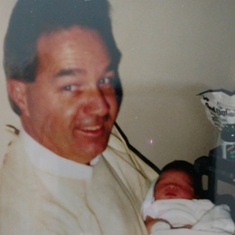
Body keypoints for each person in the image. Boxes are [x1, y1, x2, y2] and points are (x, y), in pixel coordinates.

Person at [0, 0, 158, 234]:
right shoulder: (31, 222)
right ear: (20, 95)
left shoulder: (85, 139)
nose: (102, 107)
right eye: (71, 86)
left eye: (105, 79)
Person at [142, 160, 235, 234]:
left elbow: (217, 218)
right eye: (164, 183)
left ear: (194, 194)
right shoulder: (155, 205)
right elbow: (149, 224)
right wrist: (167, 228)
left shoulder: (196, 204)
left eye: (181, 185)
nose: (171, 186)